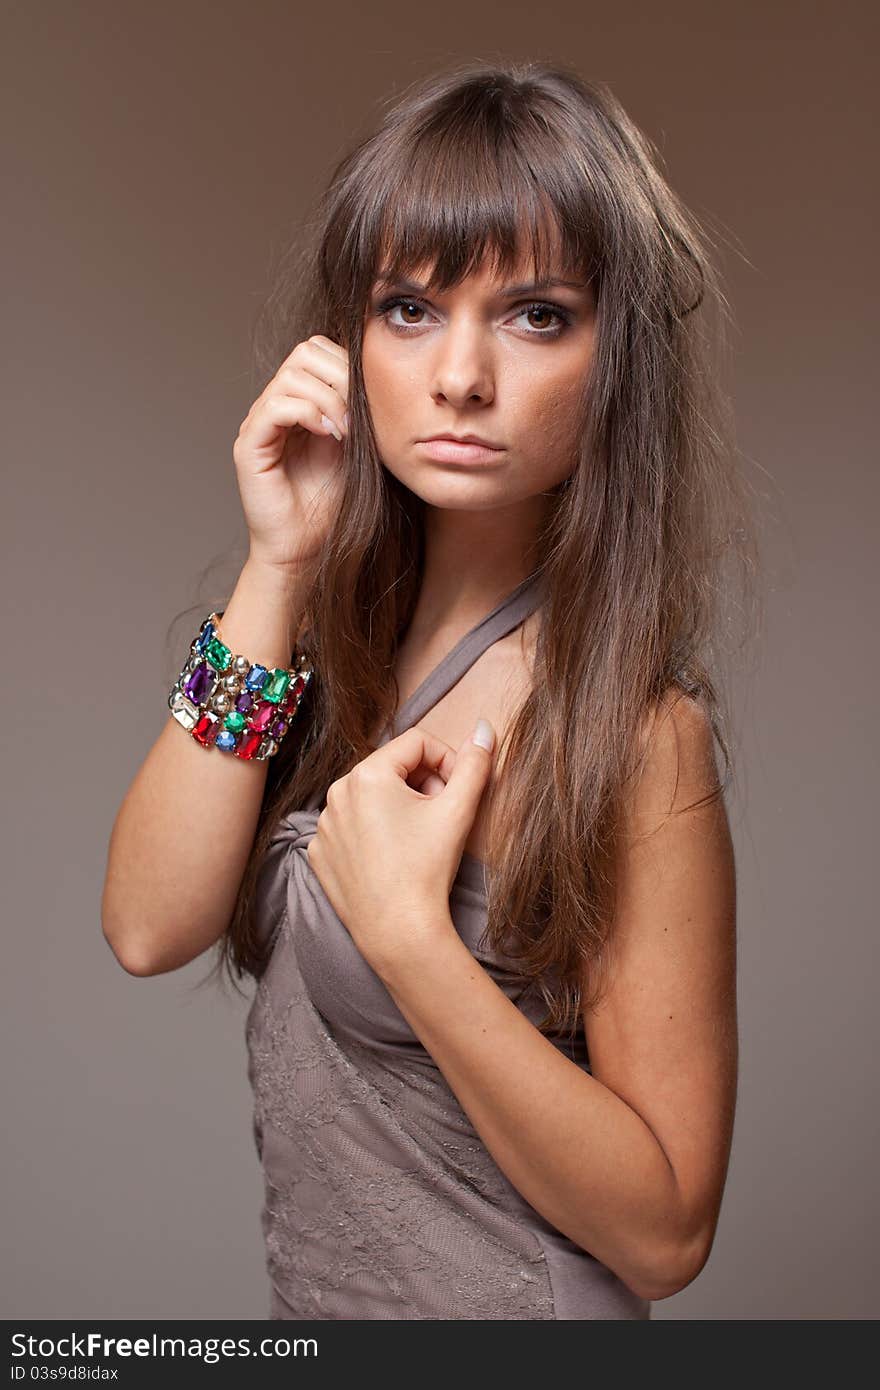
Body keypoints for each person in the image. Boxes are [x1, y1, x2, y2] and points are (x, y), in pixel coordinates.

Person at [103, 60, 756, 1320]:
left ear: (615, 357)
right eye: (409, 309)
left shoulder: (628, 729)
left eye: (535, 315)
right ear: (348, 339)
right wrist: (277, 560)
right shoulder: (334, 650)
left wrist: (408, 936)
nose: (459, 376)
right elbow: (147, 926)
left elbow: (667, 1232)